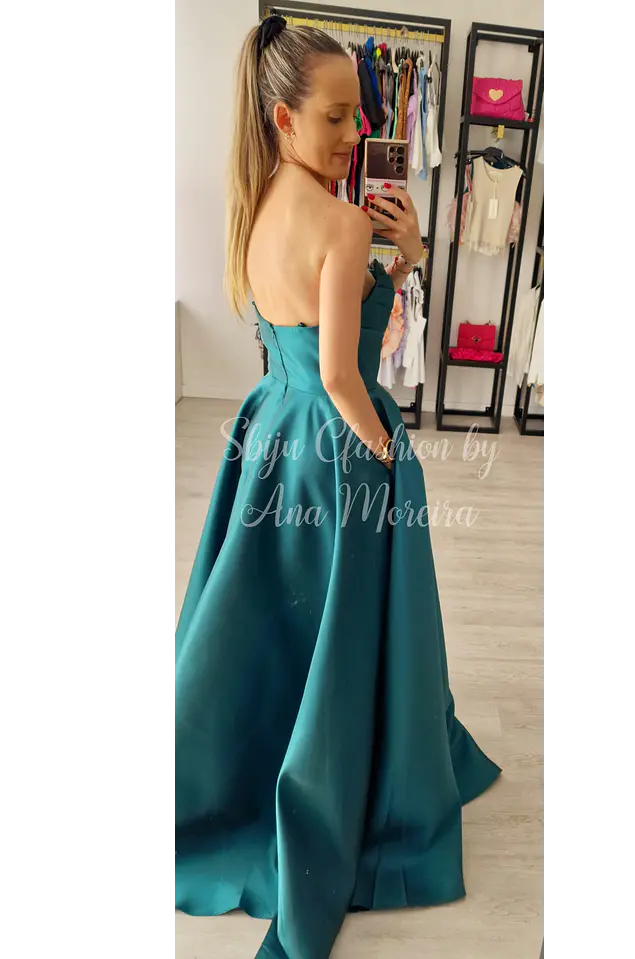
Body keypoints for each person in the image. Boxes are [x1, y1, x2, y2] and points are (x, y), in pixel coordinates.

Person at [171, 17, 501, 959]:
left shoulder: (258, 202)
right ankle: (345, 766)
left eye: (357, 115)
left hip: (271, 432)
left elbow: (312, 340)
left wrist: (406, 259)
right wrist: (392, 460)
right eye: (337, 117)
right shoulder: (342, 220)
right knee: (341, 622)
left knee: (275, 615)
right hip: (337, 443)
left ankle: (239, 756)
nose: (356, 135)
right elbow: (344, 375)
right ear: (283, 117)